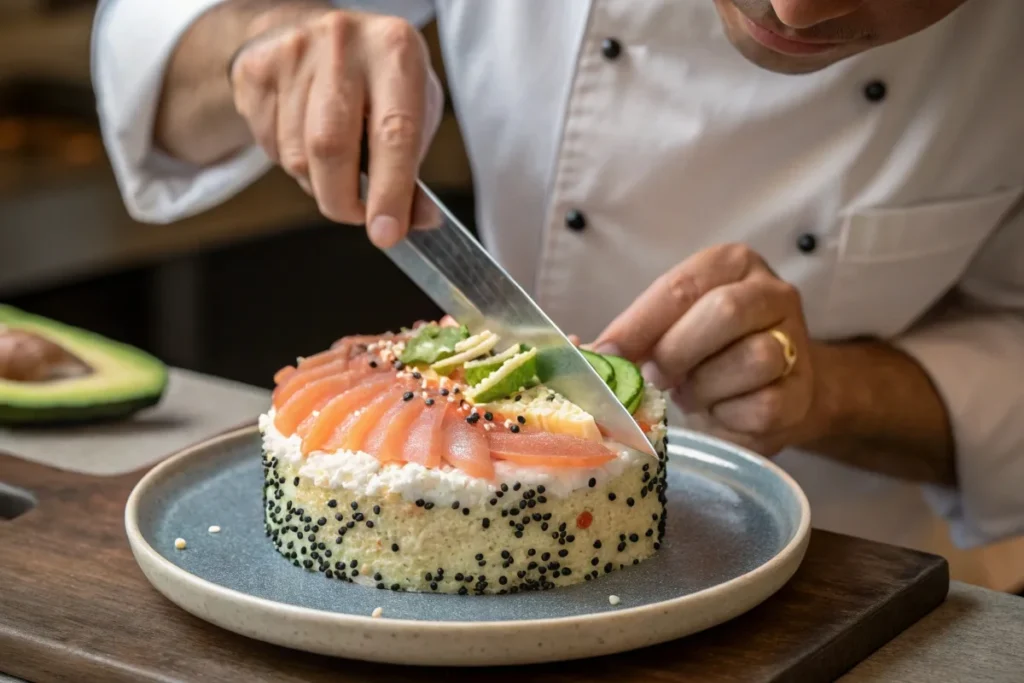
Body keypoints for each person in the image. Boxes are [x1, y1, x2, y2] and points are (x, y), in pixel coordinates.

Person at [91, 0, 1024, 592]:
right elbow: (151, 46)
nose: (795, 5)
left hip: (840, 587)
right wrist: (259, 43)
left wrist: (830, 391)